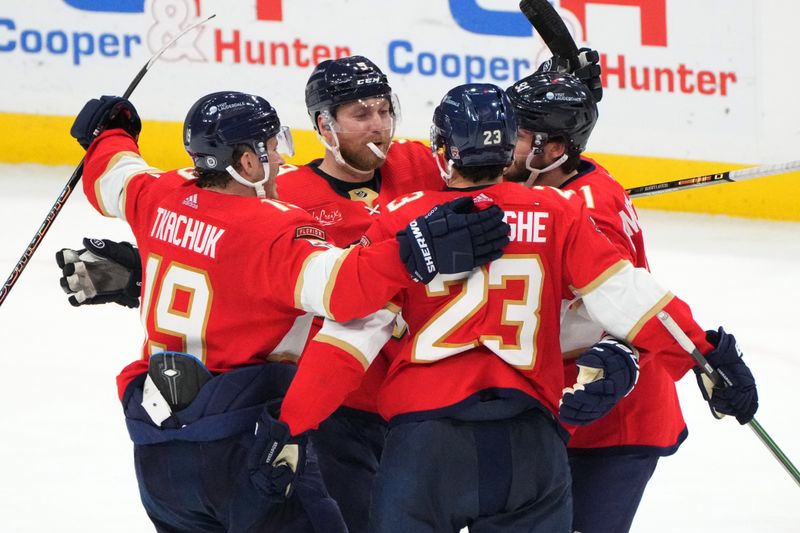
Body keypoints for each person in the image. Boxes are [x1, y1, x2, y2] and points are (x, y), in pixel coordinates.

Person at [277, 83, 758, 532]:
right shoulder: (559, 212)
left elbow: (347, 337)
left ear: (443, 152)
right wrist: (705, 353)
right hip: (531, 443)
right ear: (510, 148)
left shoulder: (403, 220)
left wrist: (291, 427)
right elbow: (629, 298)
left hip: (427, 447)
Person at [61, 90, 509, 532]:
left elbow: (113, 176)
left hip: (157, 455)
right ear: (248, 162)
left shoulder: (159, 195)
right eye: (273, 150)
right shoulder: (272, 228)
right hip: (242, 450)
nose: (280, 162)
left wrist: (110, 134)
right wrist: (415, 253)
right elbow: (343, 290)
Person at [504, 70, 758, 533]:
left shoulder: (586, 211)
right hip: (561, 400)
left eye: (516, 135)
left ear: (555, 149)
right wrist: (564, 86)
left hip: (614, 413)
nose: (501, 142)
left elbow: (629, 300)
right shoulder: (569, 178)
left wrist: (706, 357)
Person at [276, 55, 444, 533]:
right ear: (323, 125)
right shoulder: (286, 196)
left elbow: (492, 167)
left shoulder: (417, 164)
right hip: (341, 404)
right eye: (361, 114)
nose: (379, 127)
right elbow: (229, 239)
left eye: (384, 111)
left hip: (422, 397)